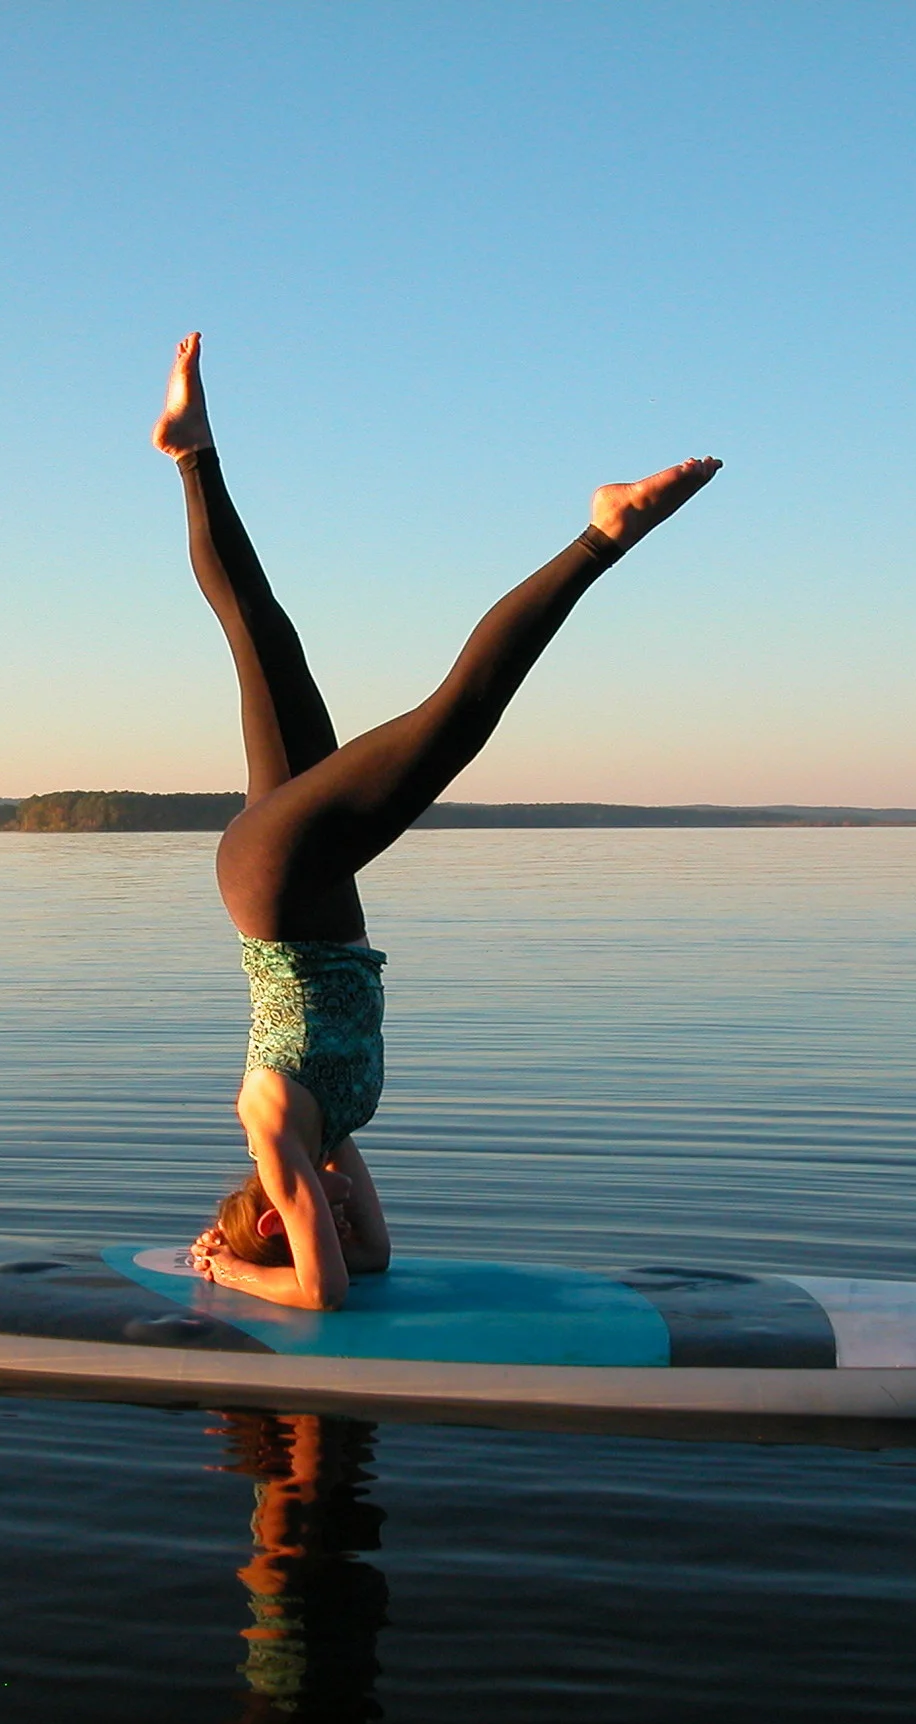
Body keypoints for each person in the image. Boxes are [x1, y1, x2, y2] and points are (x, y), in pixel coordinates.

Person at [157, 332, 718, 1310]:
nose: (339, 1214)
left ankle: (601, 536)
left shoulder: (272, 1123)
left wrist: (238, 1271)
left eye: (307, 1219)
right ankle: (189, 452)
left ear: (274, 1211)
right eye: (335, 1212)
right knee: (263, 635)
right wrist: (310, 1238)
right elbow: (368, 1265)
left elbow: (325, 1291)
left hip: (277, 885)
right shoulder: (329, 1141)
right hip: (313, 887)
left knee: (446, 726)